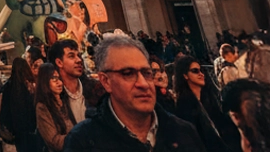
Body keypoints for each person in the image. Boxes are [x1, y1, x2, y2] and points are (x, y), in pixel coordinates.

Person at [61, 35, 206, 151]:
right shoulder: (82, 142)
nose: (143, 84)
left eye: (147, 73)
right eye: (128, 73)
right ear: (106, 81)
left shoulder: (184, 132)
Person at [169, 57, 225, 152]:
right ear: (185, 75)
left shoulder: (208, 98)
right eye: (195, 71)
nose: (201, 74)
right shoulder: (184, 106)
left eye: (201, 70)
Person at [44, 41, 99, 126]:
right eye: (71, 56)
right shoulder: (52, 98)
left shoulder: (94, 89)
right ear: (59, 62)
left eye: (79, 55)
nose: (79, 60)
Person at [0, 57, 39, 152]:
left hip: (17, 131)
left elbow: (4, 111)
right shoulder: (32, 85)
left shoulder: (8, 87)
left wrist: (9, 128)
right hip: (34, 129)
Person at [34, 65, 71, 152]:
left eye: (59, 78)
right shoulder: (42, 107)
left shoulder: (65, 100)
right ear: (45, 81)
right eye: (54, 79)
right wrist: (78, 136)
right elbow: (53, 141)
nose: (59, 83)